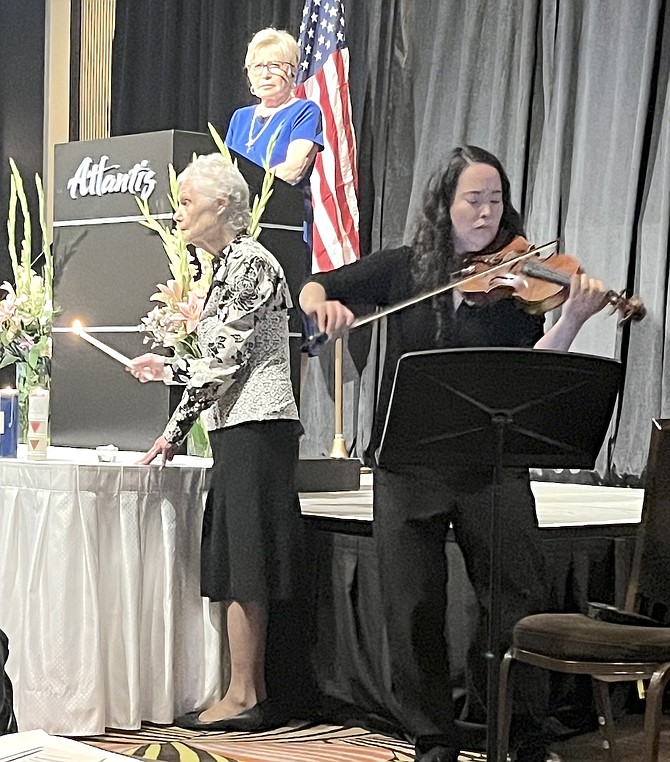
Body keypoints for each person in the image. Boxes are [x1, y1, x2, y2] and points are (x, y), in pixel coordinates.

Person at [298, 145, 608, 762]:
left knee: (514, 599)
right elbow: (316, 285)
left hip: (492, 463)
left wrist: (571, 317)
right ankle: (430, 735)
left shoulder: (523, 281)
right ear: (445, 205)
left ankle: (518, 732)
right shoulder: (407, 269)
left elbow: (536, 369)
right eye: (474, 198)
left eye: (496, 199)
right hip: (409, 460)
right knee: (413, 605)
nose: (489, 212)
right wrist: (323, 308)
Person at [127, 152, 304, 731]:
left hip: (258, 426)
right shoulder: (222, 268)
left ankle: (246, 694)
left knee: (247, 562)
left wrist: (167, 367)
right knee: (234, 558)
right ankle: (241, 689)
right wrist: (174, 432)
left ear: (223, 205)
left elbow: (221, 359)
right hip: (239, 428)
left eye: (186, 202)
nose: (177, 214)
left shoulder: (249, 263)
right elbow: (215, 368)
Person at [225, 27, 323, 271]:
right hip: (235, 227)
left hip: (281, 223)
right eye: (257, 67)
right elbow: (223, 171)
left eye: (275, 65)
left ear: (292, 71)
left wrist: (242, 197)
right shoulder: (240, 118)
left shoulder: (305, 112)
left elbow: (294, 169)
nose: (265, 74)